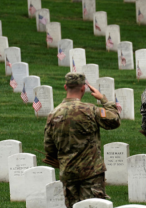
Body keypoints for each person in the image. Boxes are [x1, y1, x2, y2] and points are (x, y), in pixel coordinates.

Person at [44, 73, 121, 208]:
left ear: (65, 87)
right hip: (91, 172)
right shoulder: (91, 110)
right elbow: (114, 120)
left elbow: (49, 147)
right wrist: (104, 99)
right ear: (83, 88)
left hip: (68, 172)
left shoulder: (53, 113)